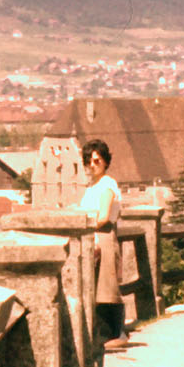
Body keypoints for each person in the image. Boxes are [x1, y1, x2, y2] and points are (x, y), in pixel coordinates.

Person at [79, 139, 125, 347]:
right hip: (93, 237)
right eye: (88, 160)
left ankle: (115, 333)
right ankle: (103, 334)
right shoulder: (91, 187)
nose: (92, 164)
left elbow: (104, 216)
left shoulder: (107, 185)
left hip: (103, 236)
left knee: (107, 285)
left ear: (105, 161)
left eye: (97, 160)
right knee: (95, 285)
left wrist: (85, 227)